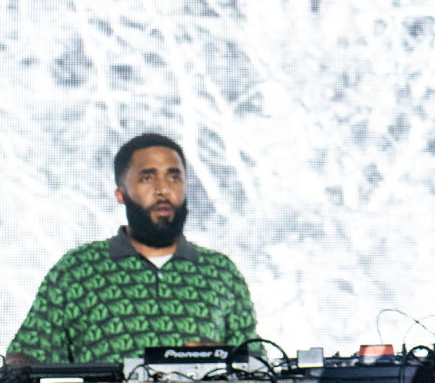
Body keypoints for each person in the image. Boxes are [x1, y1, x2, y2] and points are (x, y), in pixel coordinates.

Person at [4, 133, 258, 365]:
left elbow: (259, 366)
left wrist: (223, 356)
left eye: (174, 177)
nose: (163, 189)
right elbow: (25, 357)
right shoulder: (78, 269)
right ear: (120, 193)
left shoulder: (220, 272)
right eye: (147, 178)